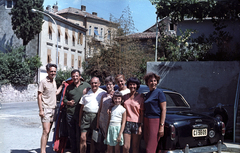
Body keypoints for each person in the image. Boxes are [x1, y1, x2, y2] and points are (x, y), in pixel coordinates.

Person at [38, 63, 64, 153]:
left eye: (54, 71)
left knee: (48, 132)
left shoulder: (54, 81)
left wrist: (62, 86)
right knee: (46, 130)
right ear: (47, 71)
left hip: (53, 109)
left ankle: (44, 149)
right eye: (51, 71)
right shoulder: (43, 82)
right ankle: (42, 151)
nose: (53, 73)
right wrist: (41, 110)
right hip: (46, 109)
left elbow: (55, 93)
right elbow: (39, 96)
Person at [63, 69, 90, 153]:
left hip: (81, 114)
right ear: (71, 77)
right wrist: (68, 102)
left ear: (80, 76)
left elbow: (94, 92)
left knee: (80, 135)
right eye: (73, 76)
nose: (75, 78)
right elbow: (64, 99)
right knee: (72, 134)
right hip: (70, 114)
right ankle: (74, 150)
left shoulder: (86, 85)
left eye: (76, 76)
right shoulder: (69, 87)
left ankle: (79, 151)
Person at [79, 77, 106, 153]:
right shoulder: (86, 92)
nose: (94, 85)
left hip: (96, 117)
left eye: (96, 83)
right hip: (86, 116)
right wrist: (79, 120)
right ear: (90, 84)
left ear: (99, 84)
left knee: (94, 139)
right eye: (92, 83)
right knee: (83, 137)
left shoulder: (103, 93)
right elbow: (81, 107)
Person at [143, 72, 167, 153]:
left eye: (155, 81)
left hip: (155, 121)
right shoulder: (148, 94)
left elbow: (163, 109)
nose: (153, 83)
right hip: (146, 120)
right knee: (148, 145)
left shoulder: (160, 93)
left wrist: (161, 126)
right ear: (147, 83)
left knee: (150, 149)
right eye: (151, 81)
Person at [123, 77, 144, 153]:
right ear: (128, 85)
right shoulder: (125, 96)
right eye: (130, 84)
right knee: (126, 146)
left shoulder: (141, 97)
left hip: (136, 123)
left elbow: (142, 113)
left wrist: (141, 126)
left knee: (135, 146)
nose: (132, 86)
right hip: (126, 123)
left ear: (137, 85)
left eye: (134, 84)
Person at [96, 76, 115, 151]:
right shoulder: (103, 95)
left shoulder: (116, 95)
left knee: (112, 140)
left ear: (113, 85)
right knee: (105, 140)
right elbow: (100, 109)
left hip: (112, 121)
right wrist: (98, 122)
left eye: (110, 84)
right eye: (107, 84)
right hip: (103, 121)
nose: (108, 86)